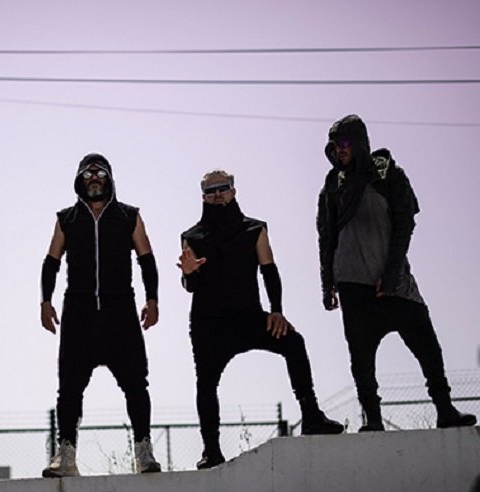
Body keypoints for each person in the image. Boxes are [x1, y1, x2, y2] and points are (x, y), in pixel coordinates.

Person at [317, 114, 476, 431]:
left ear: (360, 143)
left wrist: (391, 274)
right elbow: (326, 236)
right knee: (361, 358)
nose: (339, 150)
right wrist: (327, 284)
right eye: (333, 146)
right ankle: (373, 420)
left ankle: (445, 410)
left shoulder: (389, 175)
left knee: (427, 345)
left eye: (344, 143)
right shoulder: (333, 185)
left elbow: (405, 223)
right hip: (352, 284)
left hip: (395, 283)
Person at [179, 170, 343, 470]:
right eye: (211, 191)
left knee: (294, 343)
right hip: (210, 325)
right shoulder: (191, 237)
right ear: (203, 197)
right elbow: (191, 285)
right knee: (206, 382)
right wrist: (189, 274)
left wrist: (276, 310)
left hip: (249, 318)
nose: (217, 194)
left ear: (233, 191)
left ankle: (311, 417)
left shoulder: (254, 229)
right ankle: (211, 450)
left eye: (223, 188)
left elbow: (269, 270)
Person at [40, 153, 162, 477]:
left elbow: (146, 259)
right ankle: (66, 456)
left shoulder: (128, 216)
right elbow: (51, 261)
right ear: (79, 180)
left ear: (109, 178)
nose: (94, 178)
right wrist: (45, 301)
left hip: (120, 312)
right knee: (69, 388)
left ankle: (143, 452)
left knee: (136, 384)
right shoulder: (66, 219)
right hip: (78, 313)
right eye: (87, 174)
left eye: (100, 173)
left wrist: (152, 299)